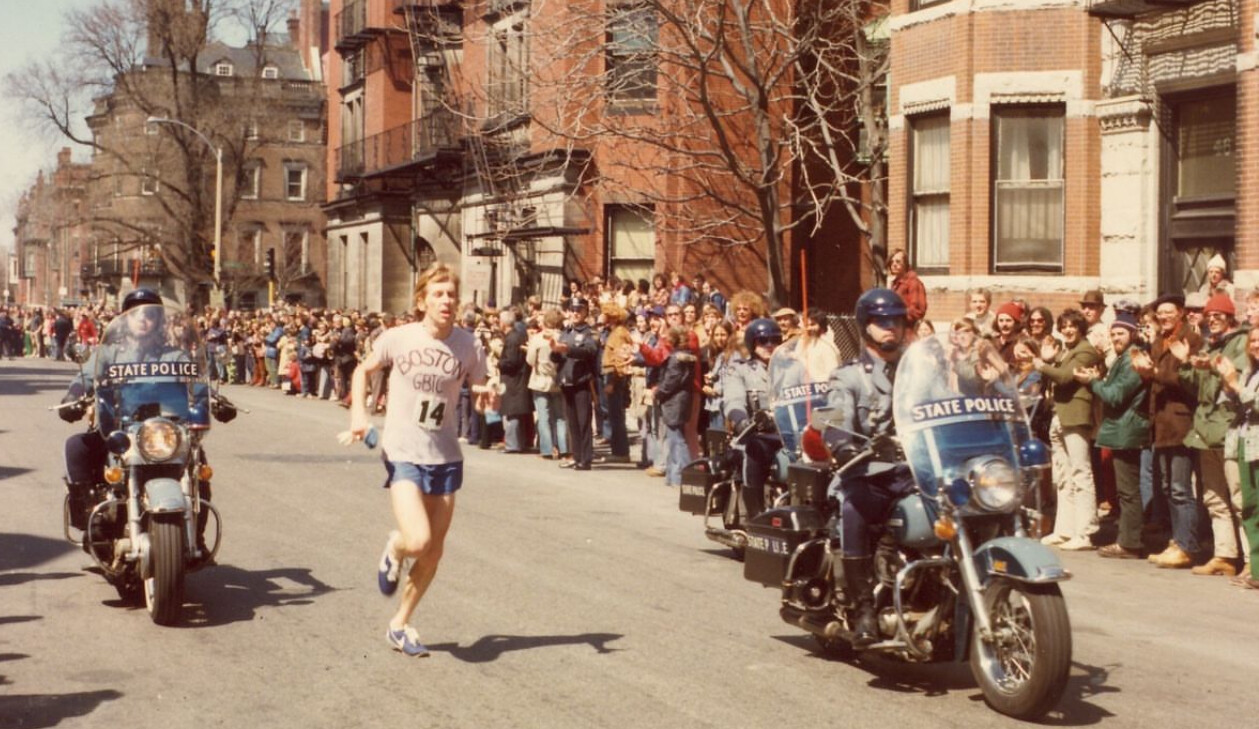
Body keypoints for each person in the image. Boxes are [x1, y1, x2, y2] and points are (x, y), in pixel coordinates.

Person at [350, 264, 489, 657]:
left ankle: (400, 623)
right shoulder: (398, 338)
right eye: (438, 294)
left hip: (445, 454)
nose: (446, 301)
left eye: (451, 295)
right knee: (417, 539)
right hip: (403, 450)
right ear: (422, 300)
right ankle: (395, 547)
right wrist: (359, 415)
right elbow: (363, 371)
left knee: (433, 551)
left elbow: (479, 390)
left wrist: (486, 397)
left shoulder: (469, 345)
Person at [824, 287, 912, 647]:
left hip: (913, 472)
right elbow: (831, 418)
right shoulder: (847, 376)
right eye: (882, 321)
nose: (891, 327)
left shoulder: (917, 371)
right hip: (867, 471)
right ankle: (863, 608)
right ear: (866, 326)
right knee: (854, 508)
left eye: (897, 321)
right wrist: (842, 444)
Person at [1130, 293, 1203, 569]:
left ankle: (1188, 545)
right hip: (1160, 424)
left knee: (1180, 488)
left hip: (1180, 423)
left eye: (1168, 312)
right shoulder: (1158, 341)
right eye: (1160, 313)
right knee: (1166, 487)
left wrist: (1155, 374)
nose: (1163, 317)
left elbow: (1190, 382)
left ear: (1180, 313)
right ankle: (1177, 540)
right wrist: (1143, 372)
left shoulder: (1191, 340)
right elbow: (1154, 381)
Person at [1176, 293, 1247, 576]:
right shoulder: (1209, 344)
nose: (1213, 319)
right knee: (1213, 497)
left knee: (1240, 497)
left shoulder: (1240, 342)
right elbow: (1196, 386)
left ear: (1229, 317)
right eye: (1210, 315)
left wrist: (1212, 365)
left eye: (1219, 315)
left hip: (1228, 428)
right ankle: (1225, 555)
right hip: (1205, 430)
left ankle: (1251, 560)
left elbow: (1236, 374)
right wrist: (1185, 364)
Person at [1074, 312, 1150, 559]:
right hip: (1122, 428)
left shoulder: (1132, 358)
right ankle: (1128, 540)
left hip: (1126, 429)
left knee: (1128, 491)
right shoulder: (1124, 358)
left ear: (1133, 334)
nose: (1116, 338)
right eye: (1114, 334)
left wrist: (1092, 382)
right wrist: (1099, 380)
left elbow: (1115, 395)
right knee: (1125, 490)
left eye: (1121, 333)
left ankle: (1130, 543)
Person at [1036, 308, 1102, 551]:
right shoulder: (1067, 351)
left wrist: (1041, 365)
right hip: (1059, 415)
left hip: (1075, 415)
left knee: (1080, 473)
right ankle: (1065, 530)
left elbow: (1065, 377)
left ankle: (1085, 532)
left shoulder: (1086, 351)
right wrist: (1049, 362)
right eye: (1063, 327)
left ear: (1081, 328)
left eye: (1072, 326)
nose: (1067, 330)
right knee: (1063, 475)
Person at [722, 317, 785, 517]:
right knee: (754, 450)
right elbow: (733, 400)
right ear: (752, 343)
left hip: (787, 434)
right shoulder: (740, 370)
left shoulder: (791, 369)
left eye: (775, 340)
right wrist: (741, 420)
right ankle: (754, 515)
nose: (770, 345)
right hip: (754, 434)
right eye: (763, 341)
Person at [1216, 324, 1259, 589]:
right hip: (1244, 442)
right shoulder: (1251, 372)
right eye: (1253, 341)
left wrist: (1236, 386)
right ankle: (1256, 569)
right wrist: (1228, 384)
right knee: (1250, 507)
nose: (1256, 345)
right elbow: (1238, 404)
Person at [550, 298, 600, 471]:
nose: (576, 313)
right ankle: (576, 456)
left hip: (582, 381)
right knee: (572, 422)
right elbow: (558, 357)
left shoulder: (590, 333)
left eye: (579, 310)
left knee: (583, 421)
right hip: (566, 380)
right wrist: (554, 351)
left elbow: (590, 351)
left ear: (586, 312)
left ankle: (585, 459)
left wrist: (567, 349)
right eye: (573, 310)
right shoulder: (566, 332)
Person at [655, 326, 698, 487]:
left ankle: (682, 475)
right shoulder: (688, 358)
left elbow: (671, 381)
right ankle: (673, 475)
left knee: (676, 439)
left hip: (673, 401)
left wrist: (659, 393)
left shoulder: (675, 359)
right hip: (683, 399)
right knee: (675, 437)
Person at [527, 308, 568, 460]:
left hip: (540, 379)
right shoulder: (563, 337)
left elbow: (530, 360)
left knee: (543, 416)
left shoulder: (538, 339)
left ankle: (546, 449)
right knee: (560, 417)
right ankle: (563, 448)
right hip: (557, 380)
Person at [497, 309, 533, 454]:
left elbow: (512, 361)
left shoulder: (512, 338)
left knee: (513, 412)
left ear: (503, 323)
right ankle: (519, 443)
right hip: (517, 380)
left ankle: (512, 444)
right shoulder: (517, 336)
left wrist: (499, 363)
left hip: (514, 381)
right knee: (516, 413)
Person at [887, 248, 927, 331]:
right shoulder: (895, 284)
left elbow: (917, 310)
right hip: (895, 329)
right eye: (892, 262)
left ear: (905, 264)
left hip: (908, 331)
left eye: (898, 261)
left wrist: (898, 314)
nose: (894, 264)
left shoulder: (913, 282)